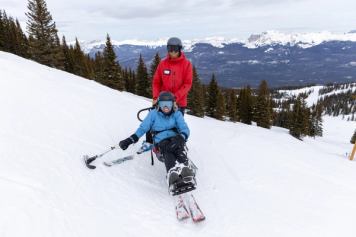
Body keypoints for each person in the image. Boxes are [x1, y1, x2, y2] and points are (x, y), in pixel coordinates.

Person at [119, 91, 195, 192]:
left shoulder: (176, 113)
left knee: (178, 148)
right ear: (158, 104)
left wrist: (181, 137)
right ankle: (172, 175)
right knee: (167, 149)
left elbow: (184, 128)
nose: (166, 107)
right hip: (161, 140)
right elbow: (143, 128)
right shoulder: (153, 114)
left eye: (168, 104)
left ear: (173, 104)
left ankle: (186, 169)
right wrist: (131, 139)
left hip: (175, 137)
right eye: (163, 104)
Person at [152, 37, 193, 115]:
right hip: (163, 101)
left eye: (176, 49)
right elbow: (156, 82)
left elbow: (187, 84)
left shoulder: (187, 64)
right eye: (170, 49)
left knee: (177, 125)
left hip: (179, 103)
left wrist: (175, 98)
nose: (173, 52)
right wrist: (155, 97)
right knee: (161, 125)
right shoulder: (162, 64)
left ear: (180, 49)